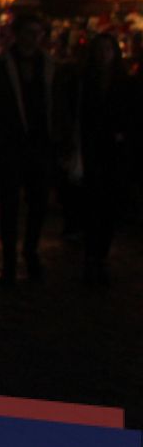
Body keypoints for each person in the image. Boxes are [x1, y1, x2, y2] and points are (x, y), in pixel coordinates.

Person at [0, 12, 59, 282]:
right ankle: (10, 258)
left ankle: (30, 250)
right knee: (9, 204)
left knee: (38, 202)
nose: (33, 39)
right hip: (10, 144)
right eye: (28, 33)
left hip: (40, 143)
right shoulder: (0, 66)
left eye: (38, 34)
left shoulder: (49, 66)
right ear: (18, 35)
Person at [70, 31, 136, 284]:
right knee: (92, 204)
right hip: (91, 148)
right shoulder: (84, 82)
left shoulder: (124, 83)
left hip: (114, 151)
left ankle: (100, 255)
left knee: (108, 205)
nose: (103, 55)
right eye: (100, 50)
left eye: (108, 50)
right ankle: (92, 255)